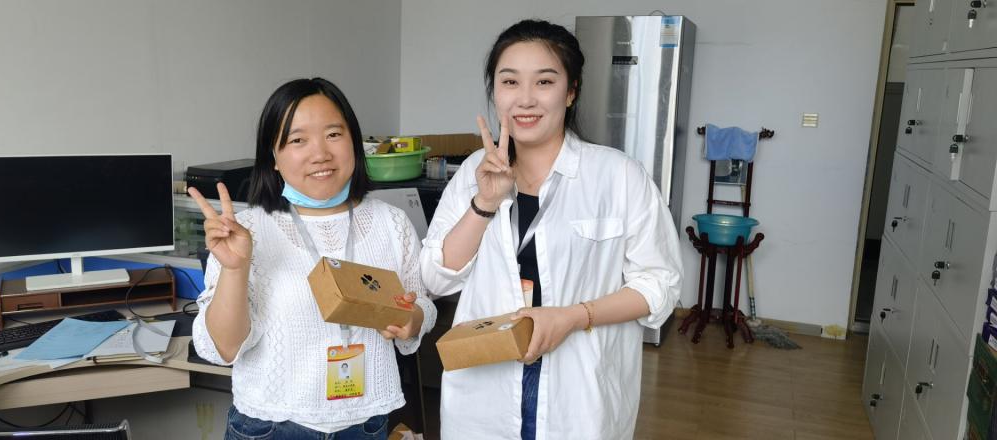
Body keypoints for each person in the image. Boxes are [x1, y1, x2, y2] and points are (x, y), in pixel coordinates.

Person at [419, 20, 682, 440]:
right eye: (510, 82)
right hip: (486, 385)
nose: (525, 99)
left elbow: (660, 285)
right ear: (495, 91)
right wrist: (484, 203)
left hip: (578, 389)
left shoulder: (618, 176)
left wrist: (574, 317)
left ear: (571, 90)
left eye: (544, 81)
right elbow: (435, 278)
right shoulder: (472, 173)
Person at [189, 77, 437, 440]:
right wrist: (235, 269)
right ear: (273, 157)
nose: (320, 153)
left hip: (365, 424)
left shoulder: (392, 223)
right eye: (297, 140)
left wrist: (412, 319)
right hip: (271, 427)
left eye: (333, 134)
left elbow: (423, 305)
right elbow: (224, 348)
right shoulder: (247, 230)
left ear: (354, 141)